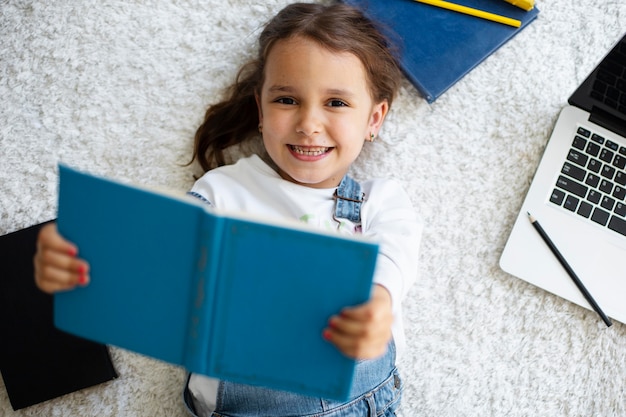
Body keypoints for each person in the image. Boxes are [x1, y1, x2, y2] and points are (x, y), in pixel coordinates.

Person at [34, 3, 422, 416]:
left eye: (337, 104)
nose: (309, 123)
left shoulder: (378, 201)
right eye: (287, 99)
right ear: (261, 110)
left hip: (359, 401)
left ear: (373, 119)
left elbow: (393, 260)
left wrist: (376, 306)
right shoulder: (223, 191)